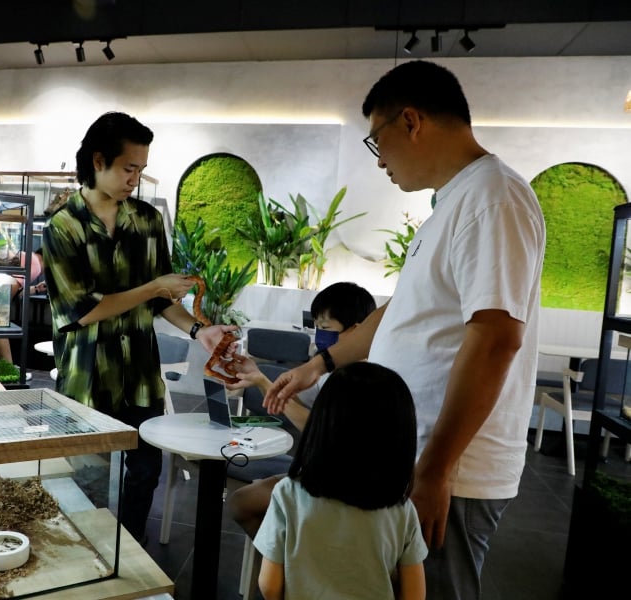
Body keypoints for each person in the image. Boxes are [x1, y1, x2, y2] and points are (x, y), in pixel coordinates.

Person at [263, 60, 545, 600]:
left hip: (449, 464)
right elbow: (401, 313)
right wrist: (318, 365)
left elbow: (495, 339)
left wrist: (437, 470)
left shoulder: (493, 199)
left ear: (411, 121)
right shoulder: (454, 203)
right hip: (409, 453)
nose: (381, 161)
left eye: (377, 141)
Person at [41, 111, 236, 544]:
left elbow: (163, 301)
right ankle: (84, 559)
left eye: (141, 170)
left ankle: (132, 557)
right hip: (88, 373)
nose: (136, 179)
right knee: (87, 475)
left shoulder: (147, 221)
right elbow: (84, 310)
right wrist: (153, 287)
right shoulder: (62, 228)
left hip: (141, 374)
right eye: (129, 168)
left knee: (144, 472)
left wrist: (197, 330)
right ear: (97, 161)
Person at [254, 361, 427, 600]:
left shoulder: (288, 494)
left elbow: (269, 586)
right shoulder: (402, 510)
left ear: (321, 425)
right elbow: (415, 595)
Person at [225, 281, 376, 538]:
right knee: (246, 504)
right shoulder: (328, 371)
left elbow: (317, 428)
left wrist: (263, 382)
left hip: (346, 486)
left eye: (326, 329)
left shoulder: (366, 380)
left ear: (356, 331)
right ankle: (287, 564)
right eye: (316, 327)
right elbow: (289, 399)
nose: (319, 336)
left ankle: (289, 565)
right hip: (320, 473)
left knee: (243, 504)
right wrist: (259, 379)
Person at [0, 248, 46, 364]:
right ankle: (9, 368)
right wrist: (2, 306)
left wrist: (37, 289)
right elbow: (11, 286)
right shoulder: (36, 265)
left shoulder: (30, 256)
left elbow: (17, 288)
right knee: (2, 328)